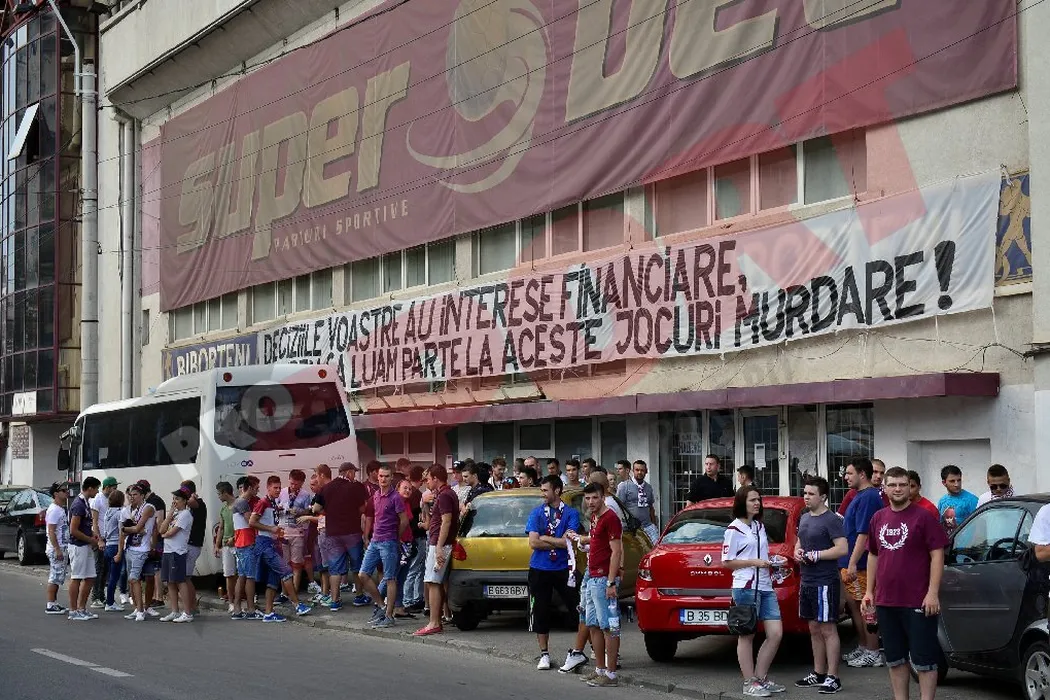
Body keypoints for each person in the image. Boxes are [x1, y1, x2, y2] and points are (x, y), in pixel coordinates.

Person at [862, 467, 948, 700]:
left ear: (910, 487)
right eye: (892, 485)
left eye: (902, 484)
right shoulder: (878, 518)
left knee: (924, 661)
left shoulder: (924, 517)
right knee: (895, 659)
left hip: (918, 601)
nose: (898, 489)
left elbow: (937, 555)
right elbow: (873, 555)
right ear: (884, 488)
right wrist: (869, 591)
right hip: (886, 601)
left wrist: (932, 593)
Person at [723, 486, 785, 697]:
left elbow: (762, 554)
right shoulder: (734, 529)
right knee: (747, 635)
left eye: (758, 499)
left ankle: (760, 678)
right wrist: (754, 562)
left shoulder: (759, 526)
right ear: (742, 502)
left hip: (766, 585)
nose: (757, 503)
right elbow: (727, 562)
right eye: (752, 500)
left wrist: (773, 561)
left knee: (775, 634)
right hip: (745, 586)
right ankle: (749, 682)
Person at [794, 477, 848, 694]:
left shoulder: (831, 519)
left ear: (823, 497)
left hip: (825, 581)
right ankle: (818, 673)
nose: (806, 497)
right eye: (805, 493)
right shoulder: (804, 517)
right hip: (807, 580)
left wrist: (818, 555)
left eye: (811, 494)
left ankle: (833, 677)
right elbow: (799, 541)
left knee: (827, 629)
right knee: (813, 628)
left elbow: (842, 548)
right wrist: (797, 551)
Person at [568, 483, 624, 687]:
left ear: (602, 497)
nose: (590, 502)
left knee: (608, 627)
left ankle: (611, 674)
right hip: (591, 576)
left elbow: (616, 551)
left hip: (603, 579)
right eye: (587, 498)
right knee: (592, 624)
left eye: (594, 498)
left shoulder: (611, 518)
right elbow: (598, 541)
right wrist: (584, 541)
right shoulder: (594, 517)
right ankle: (599, 669)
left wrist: (611, 582)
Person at [526, 475, 582, 671]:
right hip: (539, 569)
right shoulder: (536, 513)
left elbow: (569, 542)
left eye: (545, 490)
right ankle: (544, 654)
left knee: (579, 608)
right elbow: (533, 542)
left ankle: (587, 648)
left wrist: (545, 537)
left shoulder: (571, 513)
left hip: (564, 568)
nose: (542, 494)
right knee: (540, 612)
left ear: (557, 490)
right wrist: (557, 541)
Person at [838, 458, 885, 668]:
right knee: (856, 607)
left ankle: (873, 651)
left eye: (849, 473)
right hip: (851, 562)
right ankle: (864, 646)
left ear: (862, 474)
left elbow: (864, 534)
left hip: (862, 564)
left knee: (867, 607)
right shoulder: (858, 495)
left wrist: (853, 563)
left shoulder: (869, 497)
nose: (846, 477)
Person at [251, 475, 312, 621]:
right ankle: (297, 605)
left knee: (273, 580)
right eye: (275, 488)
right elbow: (252, 522)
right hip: (264, 544)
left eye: (279, 487)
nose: (278, 490)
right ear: (268, 488)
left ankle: (268, 612)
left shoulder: (273, 503)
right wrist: (270, 529)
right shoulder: (263, 502)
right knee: (286, 571)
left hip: (274, 543)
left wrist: (278, 534)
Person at [313, 463, 369, 611]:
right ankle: (359, 596)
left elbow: (316, 508)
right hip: (352, 532)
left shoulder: (326, 488)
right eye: (354, 472)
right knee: (357, 566)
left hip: (332, 533)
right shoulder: (356, 487)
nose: (354, 475)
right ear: (349, 472)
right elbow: (363, 508)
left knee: (335, 568)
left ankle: (335, 601)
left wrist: (330, 511)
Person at [359, 464, 409, 629]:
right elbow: (373, 517)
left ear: (391, 478)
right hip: (375, 540)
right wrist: (368, 535)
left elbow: (404, 520)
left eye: (387, 476)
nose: (383, 479)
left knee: (390, 579)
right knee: (363, 575)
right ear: (377, 476)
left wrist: (396, 537)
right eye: (381, 476)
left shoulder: (395, 497)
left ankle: (388, 615)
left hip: (389, 542)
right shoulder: (375, 495)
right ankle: (381, 607)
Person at [414, 464, 459, 637]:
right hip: (440, 542)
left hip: (440, 544)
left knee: (433, 582)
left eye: (428, 479)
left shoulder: (445, 495)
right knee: (436, 582)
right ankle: (437, 620)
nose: (426, 482)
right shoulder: (446, 494)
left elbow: (446, 521)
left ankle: (434, 622)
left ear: (435, 478)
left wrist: (439, 547)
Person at [121, 482, 160, 621]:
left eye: (135, 494)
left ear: (142, 495)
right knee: (132, 580)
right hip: (131, 547)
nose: (132, 497)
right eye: (130, 495)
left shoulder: (148, 508)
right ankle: (137, 607)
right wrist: (130, 529)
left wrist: (125, 529)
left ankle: (142, 609)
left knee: (136, 578)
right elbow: (135, 529)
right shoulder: (133, 510)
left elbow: (137, 528)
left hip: (142, 549)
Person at [158, 486, 194, 623]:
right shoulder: (174, 514)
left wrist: (164, 534)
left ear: (184, 501)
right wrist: (170, 514)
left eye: (177, 499)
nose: (174, 501)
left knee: (180, 581)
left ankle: (187, 613)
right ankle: (174, 611)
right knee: (170, 582)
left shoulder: (185, 514)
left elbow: (172, 532)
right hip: (168, 550)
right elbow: (161, 529)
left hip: (177, 551)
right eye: (173, 498)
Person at [68, 477, 102, 621]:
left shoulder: (86, 503)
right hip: (78, 545)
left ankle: (81, 608)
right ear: (90, 488)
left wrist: (93, 535)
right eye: (96, 489)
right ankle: (73, 610)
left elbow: (85, 526)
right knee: (76, 577)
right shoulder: (78, 505)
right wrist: (90, 540)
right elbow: (73, 530)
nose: (97, 492)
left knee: (90, 576)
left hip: (86, 544)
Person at [230, 476, 262, 620]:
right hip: (246, 542)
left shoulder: (240, 502)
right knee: (250, 577)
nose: (257, 491)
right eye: (256, 488)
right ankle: (250, 609)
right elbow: (251, 522)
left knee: (242, 576)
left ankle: (237, 609)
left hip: (241, 543)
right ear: (249, 488)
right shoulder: (243, 503)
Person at [277, 469, 313, 593]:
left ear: (302, 483)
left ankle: (294, 592)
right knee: (284, 564)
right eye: (291, 483)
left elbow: (308, 511)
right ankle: (284, 592)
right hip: (283, 530)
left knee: (296, 564)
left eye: (296, 484)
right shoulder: (282, 492)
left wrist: (298, 511)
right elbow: (275, 507)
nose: (293, 486)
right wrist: (280, 508)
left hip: (297, 531)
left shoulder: (305, 495)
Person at [89, 476, 119, 609]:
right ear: (107, 487)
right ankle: (95, 596)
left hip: (108, 538)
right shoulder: (98, 500)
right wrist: (99, 539)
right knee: (99, 567)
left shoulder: (109, 500)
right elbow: (94, 522)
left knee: (106, 569)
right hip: (99, 538)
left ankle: (101, 595)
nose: (115, 490)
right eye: (114, 488)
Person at [180, 479, 207, 615]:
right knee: (185, 577)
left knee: (186, 577)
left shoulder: (199, 503)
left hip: (193, 544)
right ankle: (192, 605)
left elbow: (191, 502)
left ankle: (192, 606)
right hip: (189, 543)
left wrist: (188, 496)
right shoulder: (192, 505)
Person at [44, 482, 71, 615]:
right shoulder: (54, 510)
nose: (67, 493)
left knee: (59, 576)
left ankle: (54, 602)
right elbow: (51, 531)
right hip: (57, 547)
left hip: (62, 546)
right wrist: (57, 549)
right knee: (54, 576)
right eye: (63, 491)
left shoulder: (60, 509)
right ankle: (50, 604)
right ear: (56, 494)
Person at [616, 460, 659, 542]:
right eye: (637, 470)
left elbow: (651, 507)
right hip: (631, 528)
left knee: (656, 547)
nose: (639, 472)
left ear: (646, 471)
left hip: (648, 526)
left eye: (642, 470)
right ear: (633, 471)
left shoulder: (648, 487)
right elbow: (618, 508)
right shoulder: (624, 486)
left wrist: (654, 525)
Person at [101, 488, 127, 612]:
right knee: (114, 577)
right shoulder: (120, 513)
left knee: (110, 576)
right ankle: (110, 602)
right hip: (116, 545)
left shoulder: (108, 512)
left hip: (108, 545)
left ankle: (109, 600)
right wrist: (120, 551)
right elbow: (122, 532)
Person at [214, 481, 238, 613]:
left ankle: (240, 599)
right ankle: (231, 602)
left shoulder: (239, 505)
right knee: (228, 574)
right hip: (226, 545)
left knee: (241, 574)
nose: (218, 496)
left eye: (219, 494)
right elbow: (221, 528)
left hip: (239, 543)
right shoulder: (223, 509)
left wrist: (234, 538)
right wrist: (217, 545)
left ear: (225, 493)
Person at [937, 465, 978, 536]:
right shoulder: (942, 501)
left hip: (966, 542)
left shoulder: (972, 500)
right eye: (952, 481)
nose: (957, 484)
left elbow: (979, 526)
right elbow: (941, 525)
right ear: (944, 483)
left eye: (959, 480)